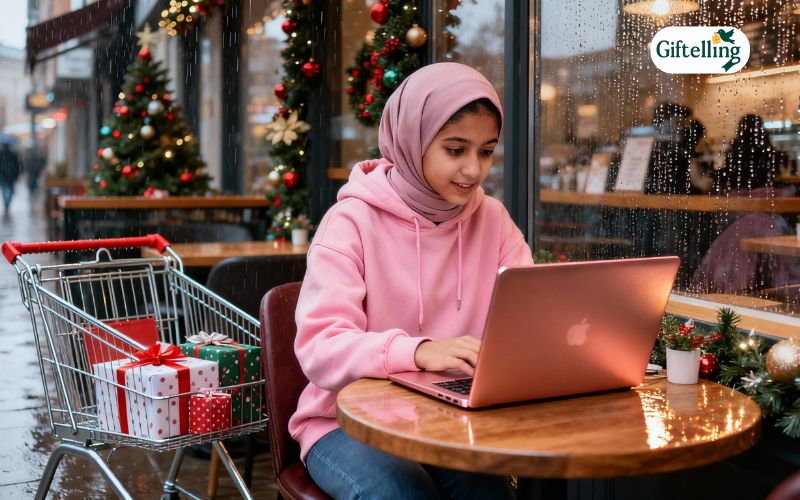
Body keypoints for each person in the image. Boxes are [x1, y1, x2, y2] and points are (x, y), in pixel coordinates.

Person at [290, 63, 532, 499]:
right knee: (402, 494)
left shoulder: (493, 219)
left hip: (450, 415)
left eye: (487, 151)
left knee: (491, 492)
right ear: (411, 141)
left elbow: (530, 312)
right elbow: (320, 348)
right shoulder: (350, 222)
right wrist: (418, 352)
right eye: (455, 150)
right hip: (342, 423)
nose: (474, 170)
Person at [713, 114, 786, 194]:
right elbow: (774, 171)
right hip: (763, 194)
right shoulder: (765, 146)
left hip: (736, 196)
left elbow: (726, 174)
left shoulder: (734, 147)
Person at [0, 143, 22, 214]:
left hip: (3, 175)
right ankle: (7, 202)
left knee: (5, 189)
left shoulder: (1, 154)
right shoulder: (13, 154)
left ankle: (6, 201)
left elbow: (17, 165)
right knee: (9, 189)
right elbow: (18, 165)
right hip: (11, 176)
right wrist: (17, 175)